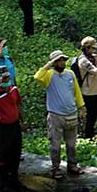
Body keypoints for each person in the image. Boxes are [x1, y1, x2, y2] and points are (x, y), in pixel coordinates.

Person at [34, 50, 85, 180]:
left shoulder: (70, 74)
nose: (62, 62)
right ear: (54, 62)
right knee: (55, 145)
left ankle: (72, 165)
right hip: (55, 115)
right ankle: (55, 168)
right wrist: (49, 63)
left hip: (71, 114)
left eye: (63, 60)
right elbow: (37, 77)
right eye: (58, 60)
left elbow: (77, 91)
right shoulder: (49, 75)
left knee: (71, 144)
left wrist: (81, 107)